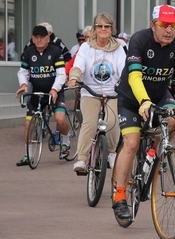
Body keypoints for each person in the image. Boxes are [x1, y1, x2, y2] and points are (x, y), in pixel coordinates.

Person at [112, 4, 175, 219]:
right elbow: (134, 75)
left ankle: (154, 153)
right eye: (163, 25)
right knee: (132, 143)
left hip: (160, 95)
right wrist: (143, 101)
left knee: (173, 120)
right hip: (132, 98)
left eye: (173, 25)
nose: (169, 30)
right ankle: (120, 196)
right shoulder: (139, 40)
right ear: (153, 25)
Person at [67, 12, 126, 172]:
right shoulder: (86, 47)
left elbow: (123, 70)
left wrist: (124, 85)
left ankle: (112, 153)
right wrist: (74, 78)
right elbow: (78, 66)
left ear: (111, 29)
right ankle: (82, 159)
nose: (103, 29)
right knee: (90, 123)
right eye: (99, 26)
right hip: (90, 92)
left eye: (107, 26)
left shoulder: (118, 48)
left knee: (113, 121)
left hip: (112, 93)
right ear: (94, 29)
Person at [15, 25, 70, 166]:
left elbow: (61, 74)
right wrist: (23, 85)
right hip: (37, 93)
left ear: (47, 38)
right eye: (36, 37)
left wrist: (55, 90)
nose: (39, 40)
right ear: (33, 39)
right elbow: (23, 72)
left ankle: (65, 141)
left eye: (42, 37)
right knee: (28, 125)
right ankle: (29, 156)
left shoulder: (56, 51)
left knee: (60, 119)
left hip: (55, 92)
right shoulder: (29, 52)